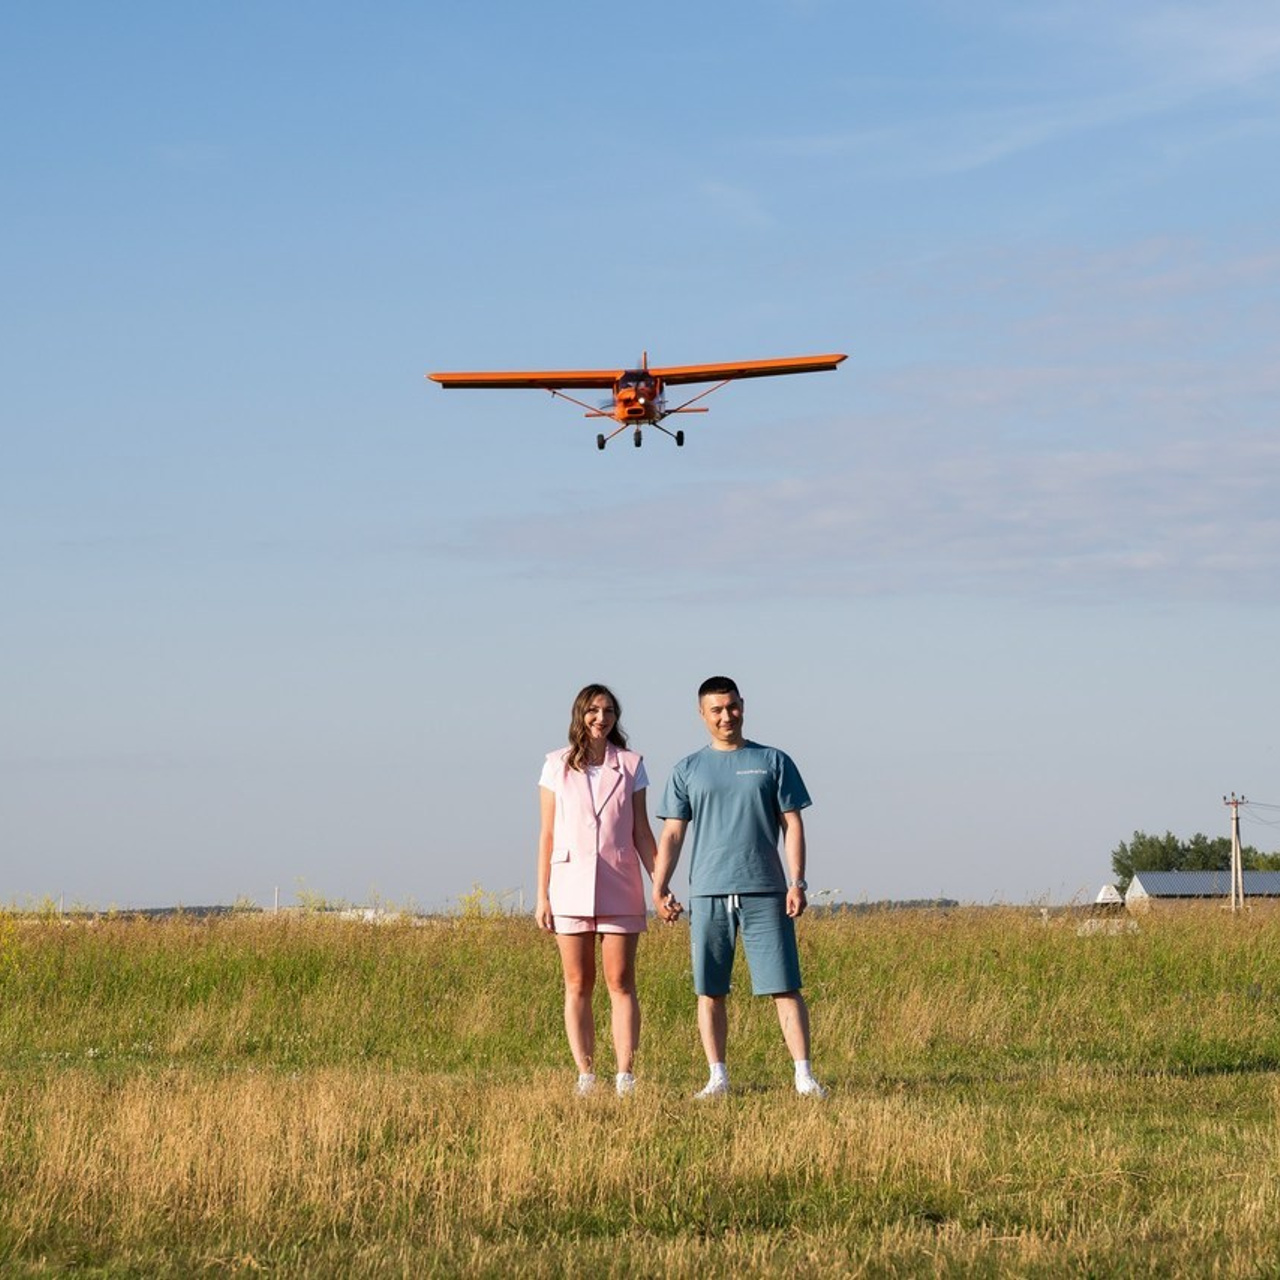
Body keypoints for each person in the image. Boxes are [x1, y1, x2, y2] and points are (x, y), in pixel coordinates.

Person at [652, 676, 827, 1098]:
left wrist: (797, 881)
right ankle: (717, 1077)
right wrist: (659, 887)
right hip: (709, 892)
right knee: (709, 989)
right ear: (702, 714)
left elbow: (793, 824)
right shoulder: (687, 769)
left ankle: (803, 1076)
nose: (726, 716)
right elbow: (673, 834)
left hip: (766, 889)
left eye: (732, 707)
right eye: (717, 710)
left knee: (784, 985)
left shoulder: (773, 760)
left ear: (742, 706)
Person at [536, 684, 659, 1096]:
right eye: (592, 710)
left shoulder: (631, 764)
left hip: (620, 882)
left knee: (621, 981)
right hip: (568, 884)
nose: (600, 718)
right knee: (577, 983)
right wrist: (542, 895)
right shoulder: (555, 765)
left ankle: (625, 1075)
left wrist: (660, 884)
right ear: (579, 714)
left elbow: (642, 830)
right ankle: (586, 1075)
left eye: (608, 711)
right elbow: (547, 833)